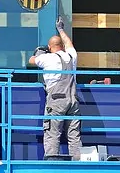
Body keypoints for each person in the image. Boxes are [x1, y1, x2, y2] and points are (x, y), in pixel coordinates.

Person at [29, 16, 81, 160]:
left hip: (56, 101)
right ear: (62, 47)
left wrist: (40, 52)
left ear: (50, 47)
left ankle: (51, 163)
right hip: (73, 100)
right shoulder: (71, 56)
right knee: (74, 135)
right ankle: (77, 164)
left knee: (52, 132)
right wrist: (61, 29)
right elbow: (69, 44)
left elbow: (31, 61)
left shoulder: (48, 58)